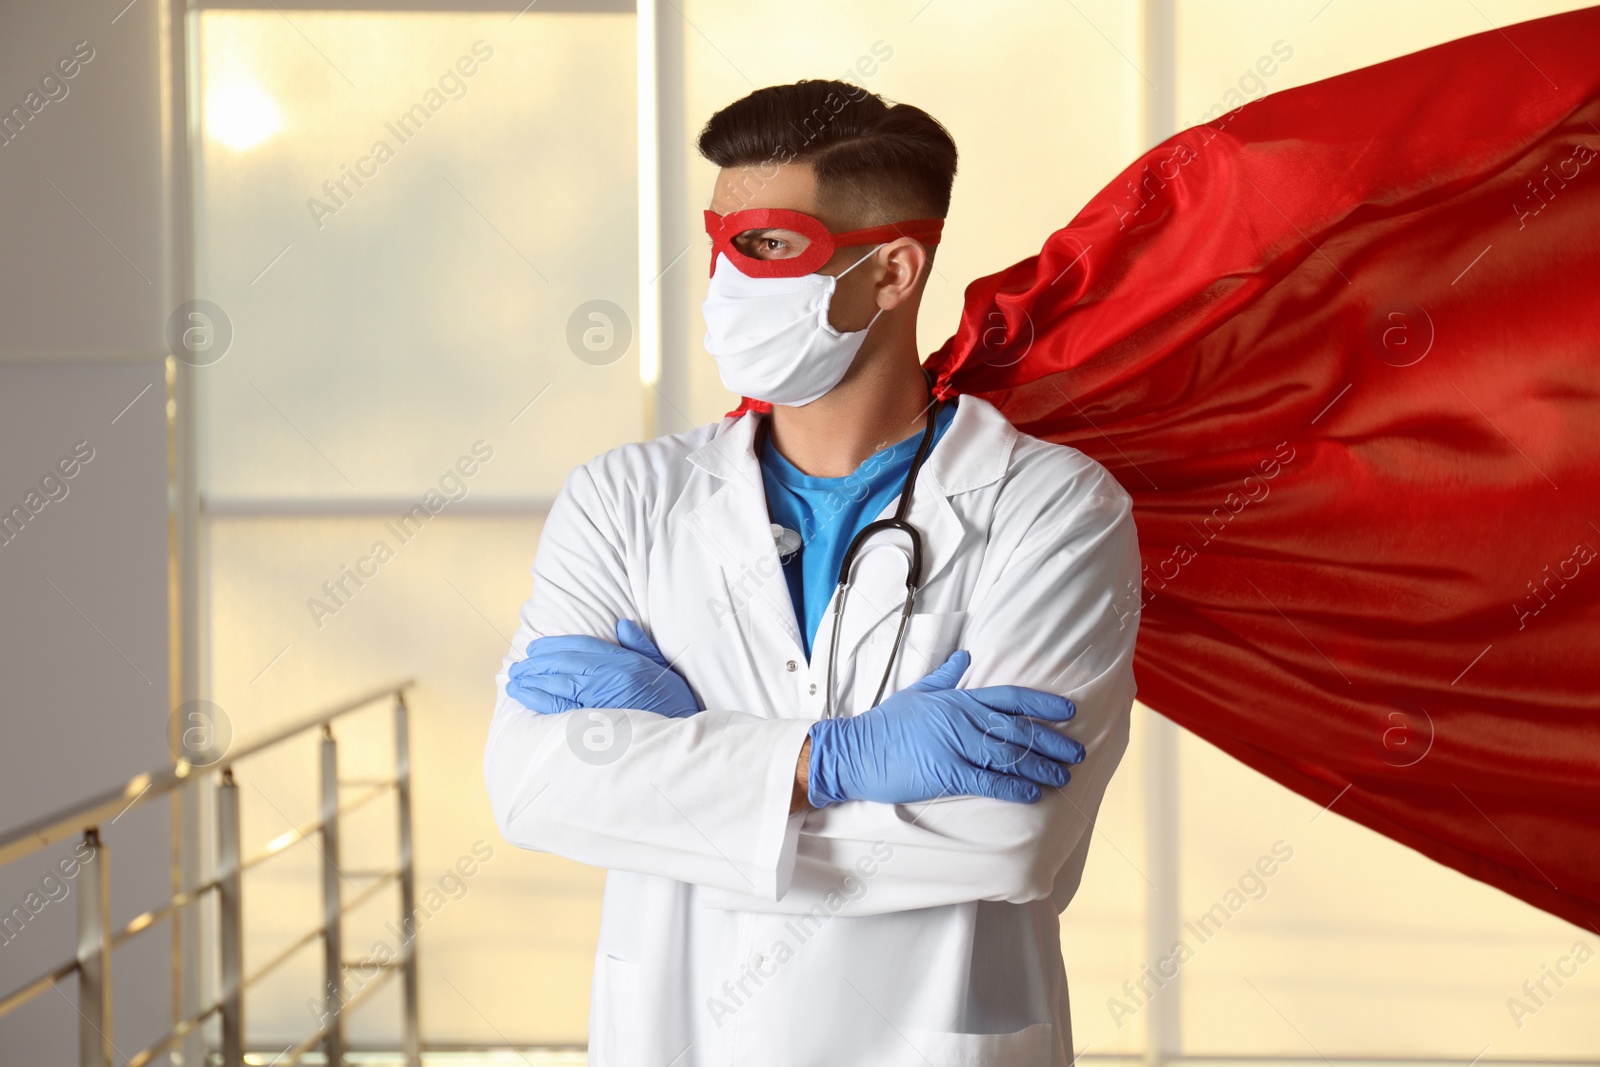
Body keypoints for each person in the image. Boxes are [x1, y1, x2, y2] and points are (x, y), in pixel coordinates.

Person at [483, 79, 1140, 1066]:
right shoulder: (623, 500)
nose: (723, 279)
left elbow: (1009, 839)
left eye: (767, 245)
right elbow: (532, 782)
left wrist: (673, 764)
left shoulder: (1052, 507)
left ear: (890, 272)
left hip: (931, 1035)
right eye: (718, 239)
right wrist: (824, 760)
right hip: (679, 1028)